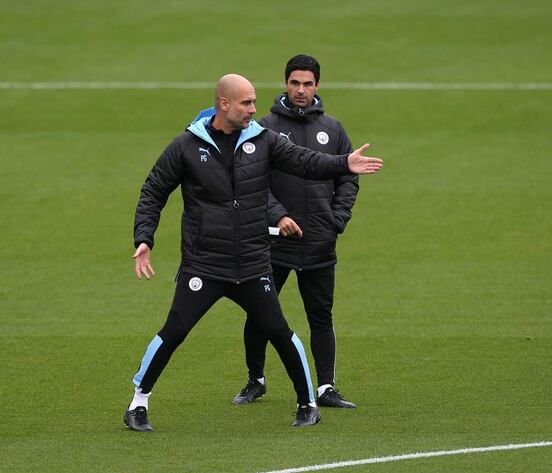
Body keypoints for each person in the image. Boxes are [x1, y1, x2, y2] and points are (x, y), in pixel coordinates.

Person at [124, 73, 382, 432]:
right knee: (175, 331)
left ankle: (308, 404)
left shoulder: (263, 141)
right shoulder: (186, 146)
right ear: (224, 104)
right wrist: (144, 238)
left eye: (254, 102)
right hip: (205, 264)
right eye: (246, 103)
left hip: (252, 262)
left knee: (280, 332)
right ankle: (138, 405)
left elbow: (305, 161)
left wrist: (343, 164)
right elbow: (154, 190)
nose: (254, 110)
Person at [228, 55, 359, 409]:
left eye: (308, 84)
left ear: (317, 86)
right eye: (295, 83)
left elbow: (348, 175)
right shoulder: (263, 127)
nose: (301, 90)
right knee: (259, 313)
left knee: (321, 316)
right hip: (272, 241)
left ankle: (326, 388)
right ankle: (256, 380)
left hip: (319, 241)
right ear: (285, 83)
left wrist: (337, 218)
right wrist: (278, 215)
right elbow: (253, 181)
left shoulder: (333, 129)